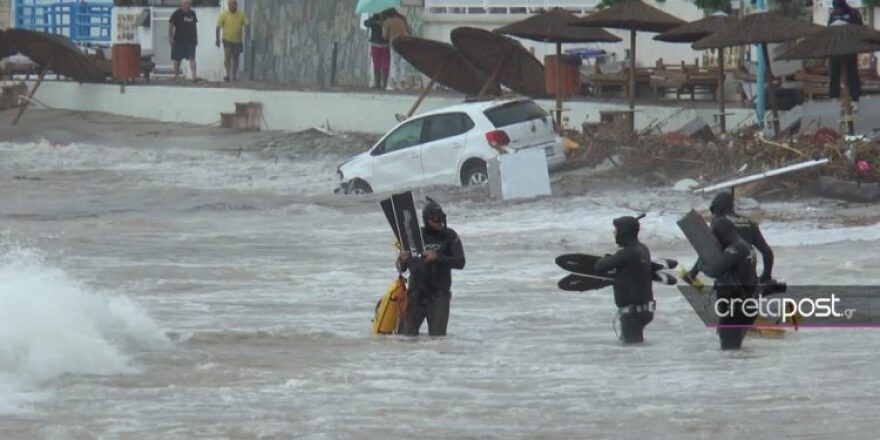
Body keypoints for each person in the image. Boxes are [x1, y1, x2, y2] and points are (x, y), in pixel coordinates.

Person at [396, 198, 465, 337]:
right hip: (415, 296)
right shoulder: (415, 236)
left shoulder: (450, 236)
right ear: (426, 220)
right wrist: (401, 259)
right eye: (436, 219)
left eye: (442, 218)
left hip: (438, 298)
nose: (440, 222)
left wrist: (438, 258)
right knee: (404, 340)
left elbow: (460, 262)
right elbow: (401, 268)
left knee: (437, 341)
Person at [687, 191, 775, 284]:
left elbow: (708, 249)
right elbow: (767, 252)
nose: (713, 214)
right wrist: (766, 275)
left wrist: (694, 272)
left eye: (713, 210)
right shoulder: (750, 223)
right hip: (748, 271)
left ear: (717, 207)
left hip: (730, 271)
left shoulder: (719, 222)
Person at [594, 215, 655, 344]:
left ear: (624, 232)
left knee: (631, 351)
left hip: (633, 314)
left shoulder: (628, 253)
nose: (614, 233)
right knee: (636, 347)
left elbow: (599, 266)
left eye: (616, 230)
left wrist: (606, 257)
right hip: (645, 311)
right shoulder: (643, 249)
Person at [702, 217, 758, 350]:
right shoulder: (747, 247)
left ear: (720, 234)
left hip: (734, 309)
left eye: (714, 236)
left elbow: (715, 271)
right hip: (747, 306)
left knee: (729, 352)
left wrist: (702, 266)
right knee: (736, 350)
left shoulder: (734, 250)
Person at [828, 0, 863, 110]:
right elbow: (828, 29)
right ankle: (835, 97)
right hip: (835, 48)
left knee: (852, 73)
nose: (836, 10)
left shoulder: (853, 13)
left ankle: (855, 99)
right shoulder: (833, 15)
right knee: (834, 73)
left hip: (849, 48)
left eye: (837, 7)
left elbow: (860, 29)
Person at [215, 0, 248, 82]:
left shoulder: (241, 14)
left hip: (237, 40)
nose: (233, 6)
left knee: (236, 58)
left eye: (234, 4)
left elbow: (247, 24)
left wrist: (247, 35)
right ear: (228, 5)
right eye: (231, 4)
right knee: (227, 55)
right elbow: (218, 27)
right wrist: (217, 39)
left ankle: (234, 75)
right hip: (227, 39)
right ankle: (228, 74)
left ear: (236, 5)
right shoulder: (224, 14)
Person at [169, 0, 198, 82]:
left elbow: (194, 27)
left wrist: (196, 38)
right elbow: (170, 26)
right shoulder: (176, 13)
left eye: (189, 4)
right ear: (182, 5)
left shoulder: (192, 13)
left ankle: (194, 76)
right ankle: (176, 75)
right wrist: (170, 38)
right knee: (177, 59)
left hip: (190, 40)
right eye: (186, 4)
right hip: (178, 40)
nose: (188, 6)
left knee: (192, 58)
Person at [382, 9, 410, 90]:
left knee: (395, 63)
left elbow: (385, 36)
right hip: (405, 42)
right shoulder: (402, 19)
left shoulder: (387, 22)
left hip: (394, 43)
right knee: (403, 63)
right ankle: (402, 83)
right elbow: (409, 30)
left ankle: (394, 83)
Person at [364, 12, 390, 90]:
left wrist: (384, 24)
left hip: (385, 44)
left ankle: (384, 84)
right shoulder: (374, 18)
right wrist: (376, 23)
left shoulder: (388, 19)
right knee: (376, 64)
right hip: (375, 44)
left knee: (385, 64)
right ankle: (377, 83)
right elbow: (366, 23)